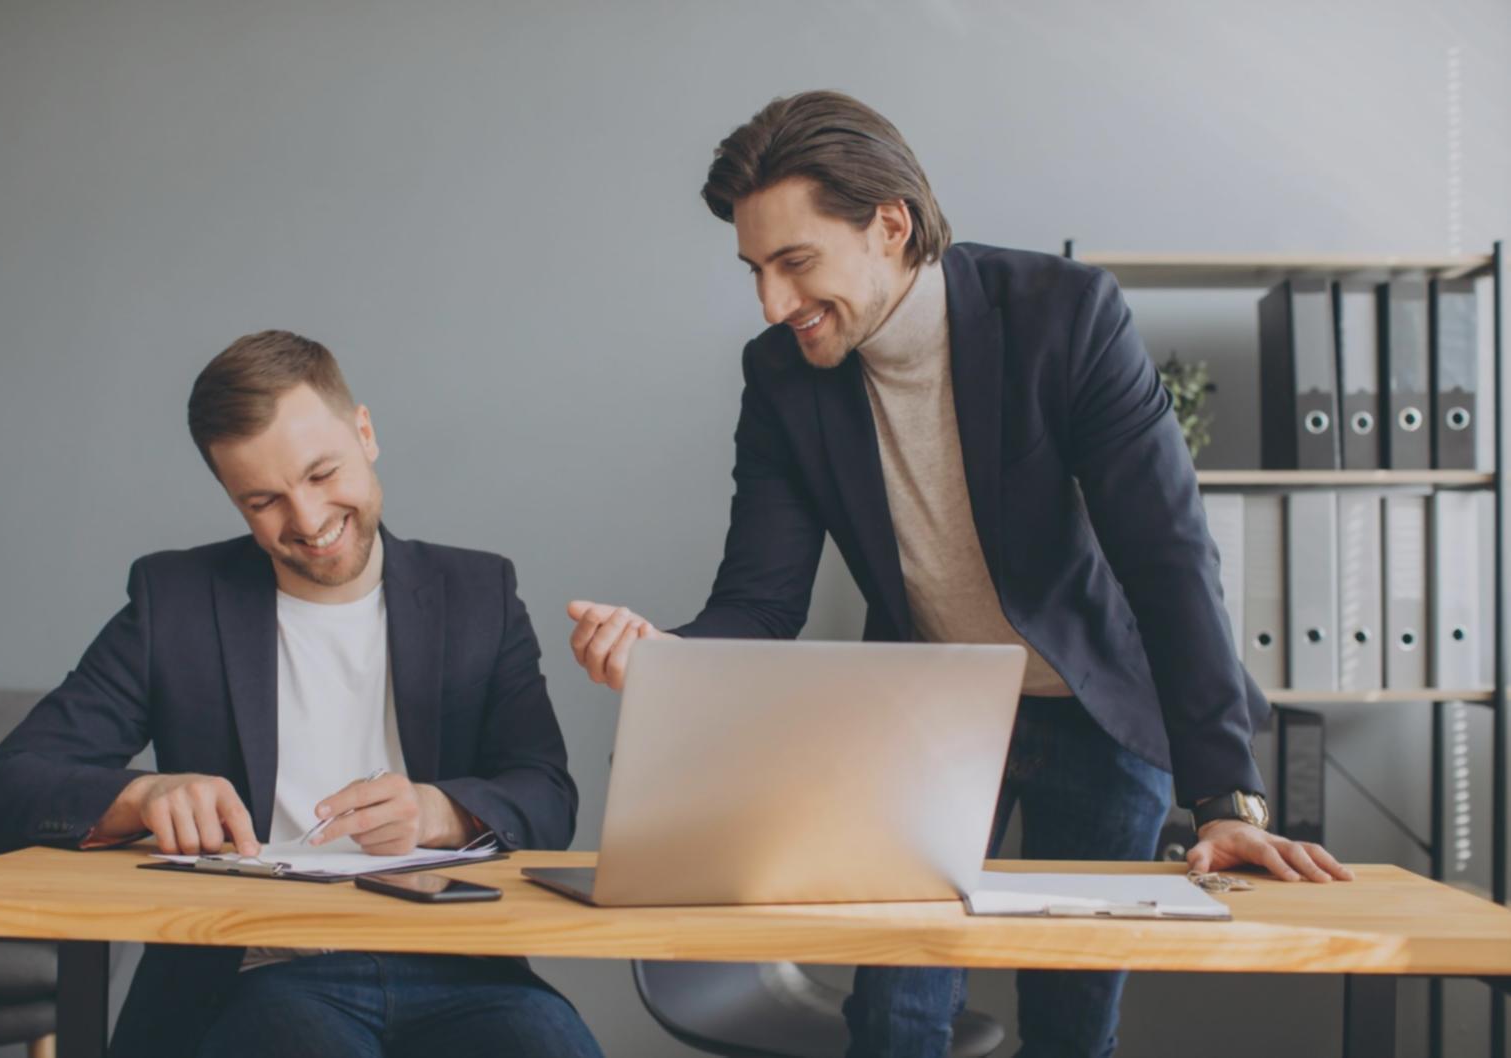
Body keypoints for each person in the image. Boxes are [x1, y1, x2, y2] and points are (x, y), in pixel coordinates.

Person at [566, 90, 1352, 1058]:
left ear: (890, 225)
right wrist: (669, 659)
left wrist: (1225, 797)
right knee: (892, 1017)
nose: (772, 302)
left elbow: (1166, 556)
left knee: (1070, 1022)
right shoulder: (780, 376)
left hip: (1098, 706)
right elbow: (759, 603)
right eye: (755, 270)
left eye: (795, 262)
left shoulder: (1064, 315)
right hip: (928, 721)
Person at [0, 330, 603, 1058]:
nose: (307, 520)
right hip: (257, 972)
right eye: (264, 500)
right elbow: (3, 790)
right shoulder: (175, 600)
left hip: (459, 963)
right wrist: (142, 797)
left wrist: (437, 812)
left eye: (322, 473)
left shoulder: (478, 592)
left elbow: (546, 796)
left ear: (365, 433)